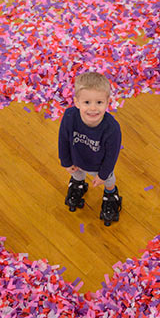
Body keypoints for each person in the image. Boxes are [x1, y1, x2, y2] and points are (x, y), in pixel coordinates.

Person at [58, 71, 122, 226]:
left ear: (107, 102)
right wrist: (65, 162)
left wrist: (102, 174)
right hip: (76, 160)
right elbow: (63, 140)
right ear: (77, 102)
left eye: (99, 102)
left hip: (99, 165)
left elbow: (111, 156)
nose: (93, 108)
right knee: (77, 175)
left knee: (108, 180)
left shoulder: (112, 129)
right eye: (87, 102)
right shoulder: (69, 117)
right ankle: (78, 185)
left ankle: (111, 194)